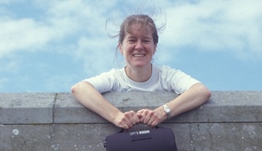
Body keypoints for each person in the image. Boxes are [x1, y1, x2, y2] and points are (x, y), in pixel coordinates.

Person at [71, 14, 211, 129]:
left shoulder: (166, 75)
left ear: (154, 47)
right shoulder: (114, 78)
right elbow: (80, 88)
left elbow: (200, 91)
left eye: (145, 40)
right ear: (121, 47)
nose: (139, 46)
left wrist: (162, 112)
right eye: (132, 40)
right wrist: (117, 116)